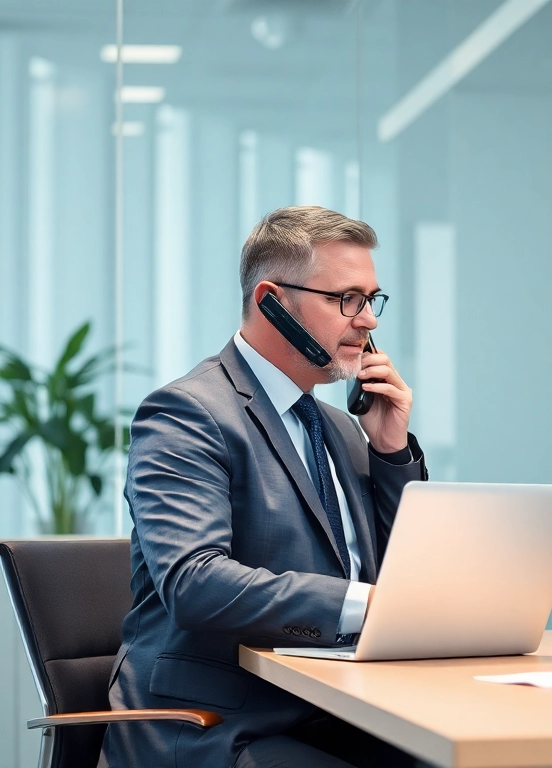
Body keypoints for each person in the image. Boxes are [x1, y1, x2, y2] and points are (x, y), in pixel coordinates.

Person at [101, 206, 428, 768]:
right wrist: (367, 605)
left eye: (373, 299)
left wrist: (391, 450)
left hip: (340, 711)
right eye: (345, 299)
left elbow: (410, 579)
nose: (369, 320)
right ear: (271, 301)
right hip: (220, 728)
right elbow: (194, 582)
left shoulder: (342, 429)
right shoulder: (187, 413)